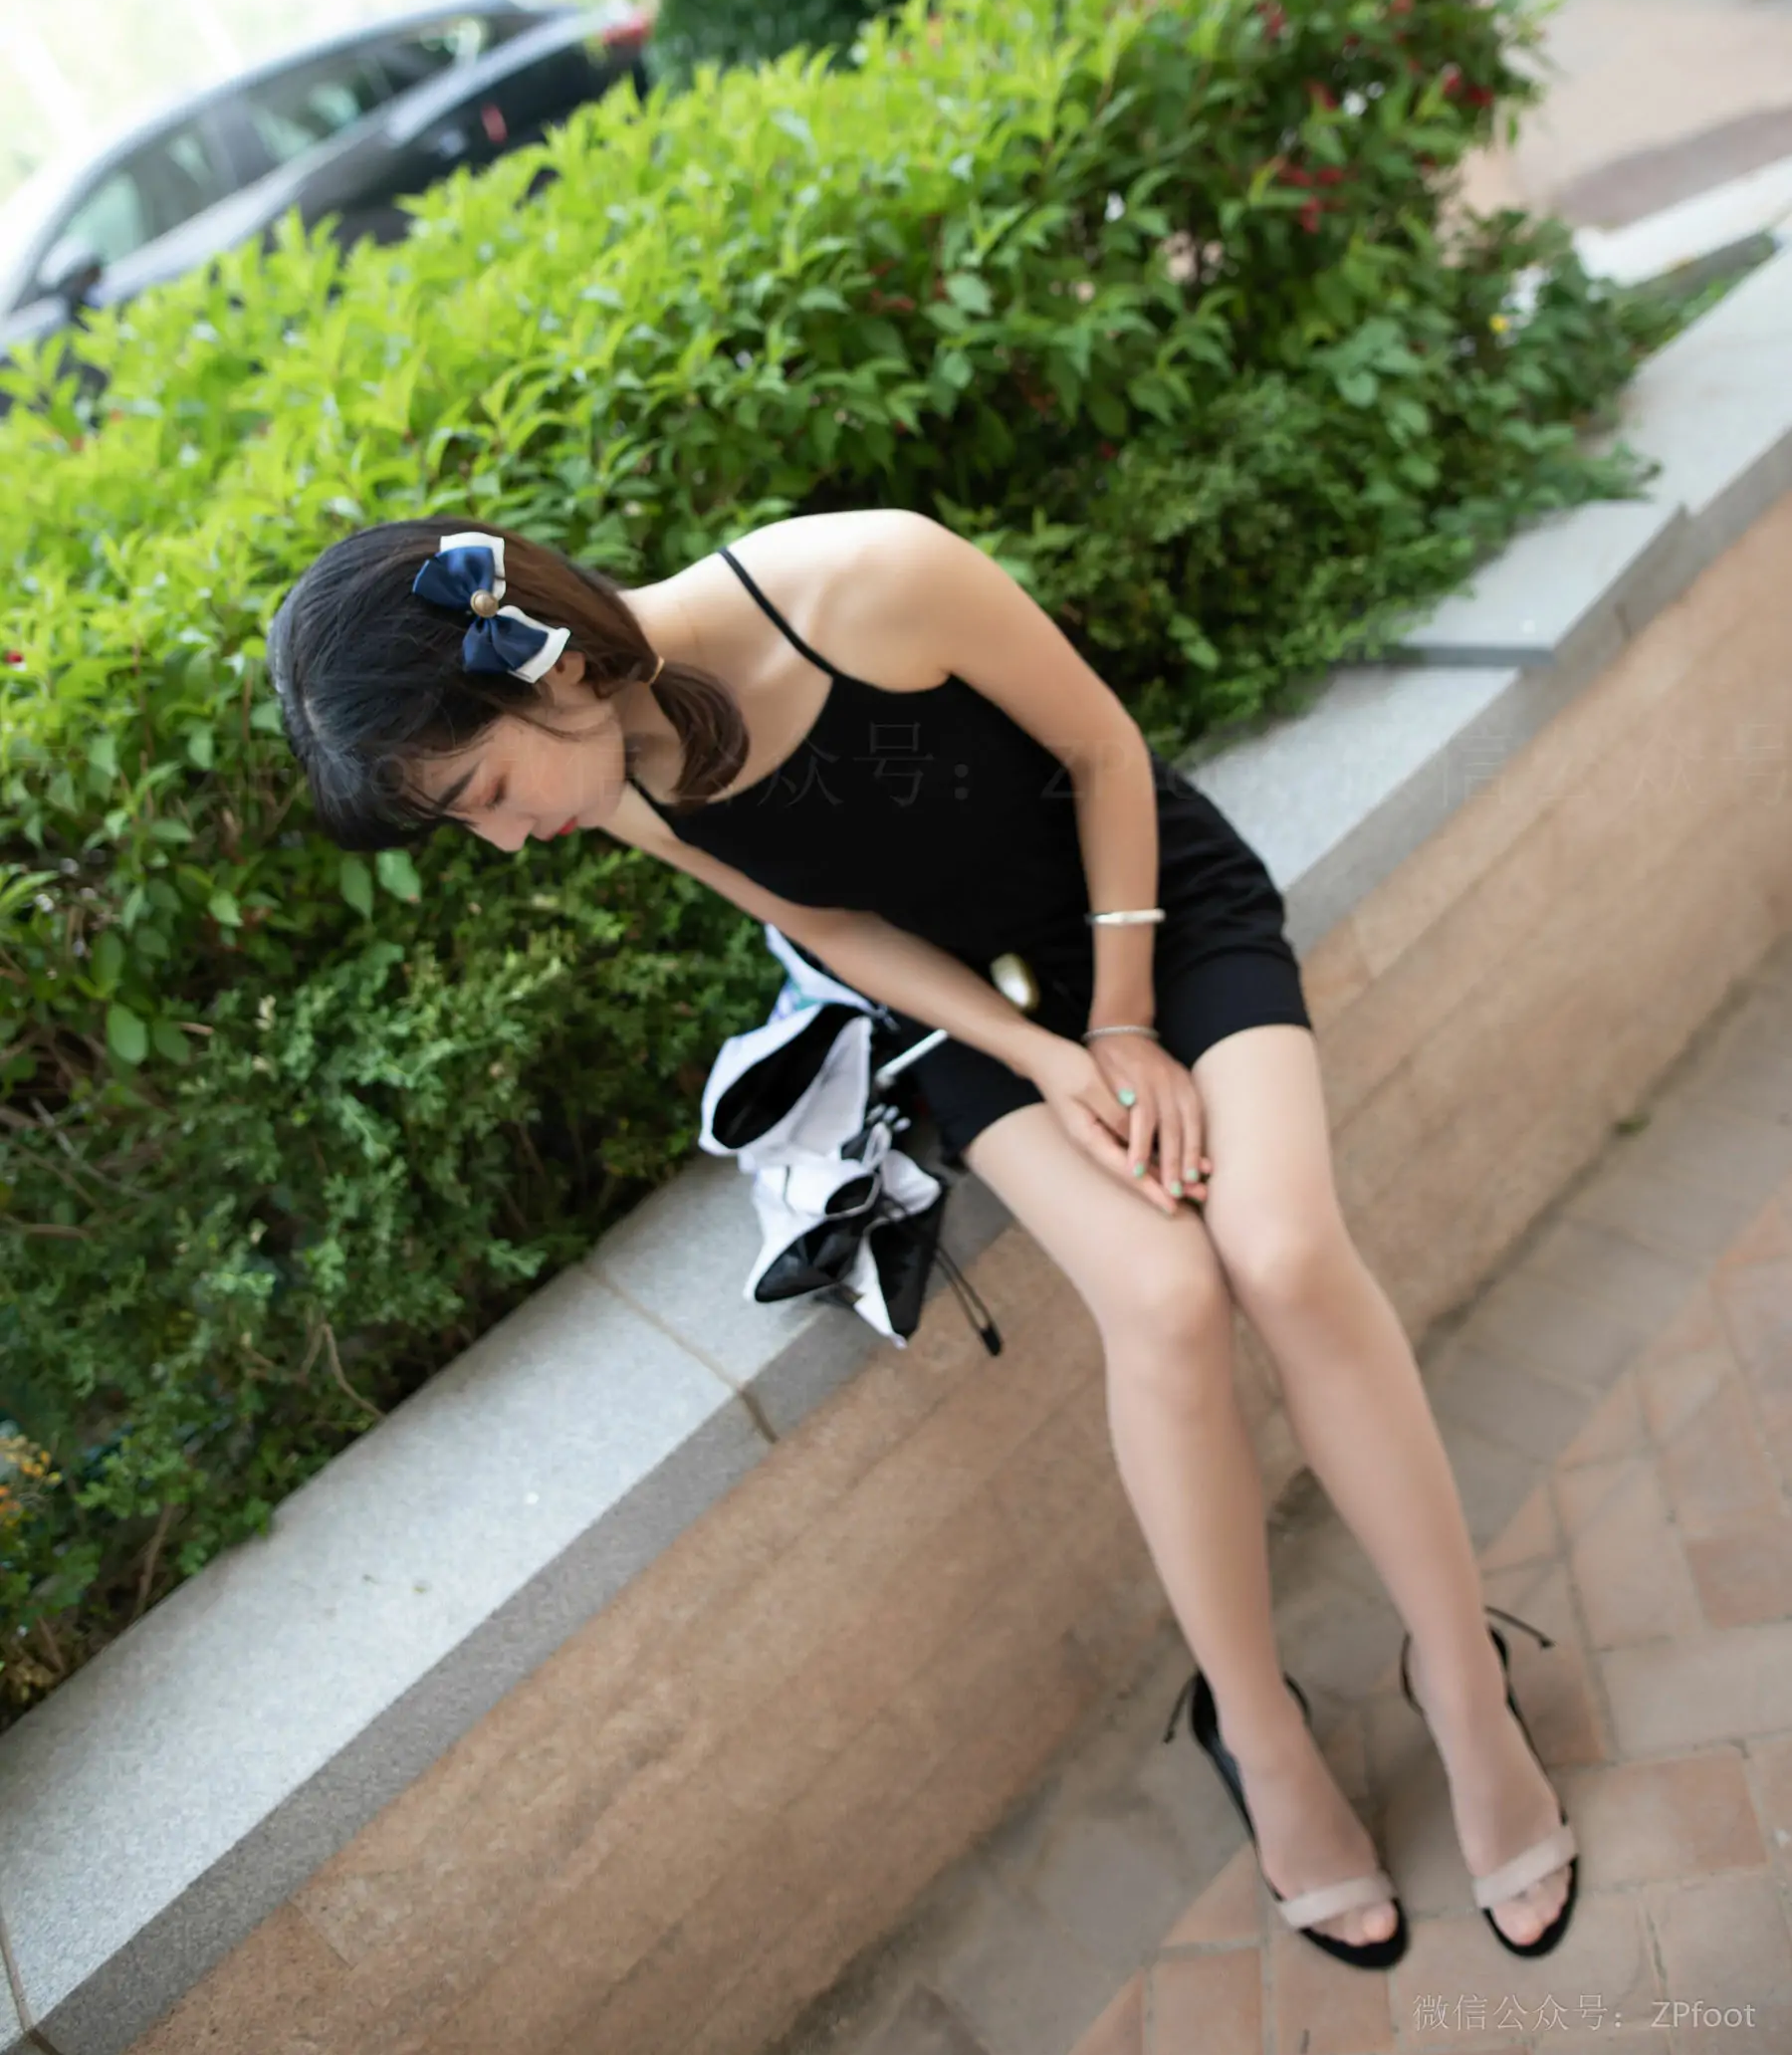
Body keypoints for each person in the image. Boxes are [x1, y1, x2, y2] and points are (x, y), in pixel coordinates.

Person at [267, 506, 1578, 1968]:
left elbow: (1105, 752)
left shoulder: (867, 579)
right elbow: (836, 934)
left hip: (1149, 910)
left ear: (548, 667)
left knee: (1281, 1254)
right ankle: (1259, 1735)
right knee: (1162, 1300)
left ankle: (1463, 1685)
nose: (510, 839)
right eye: (472, 825)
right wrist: (1047, 1058)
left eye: (489, 791)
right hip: (968, 1009)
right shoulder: (620, 783)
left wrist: (1122, 1022)